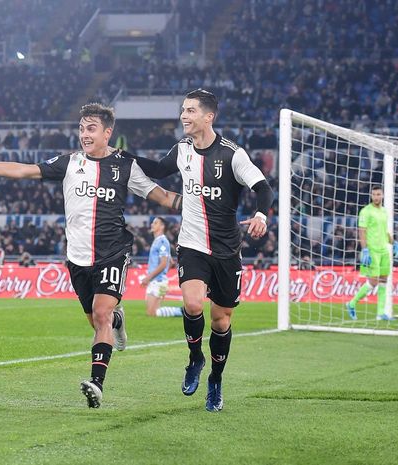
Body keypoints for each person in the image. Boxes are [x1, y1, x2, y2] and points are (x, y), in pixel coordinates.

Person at [0, 103, 182, 408]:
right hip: (78, 258)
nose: (84, 134)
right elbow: (24, 170)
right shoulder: (70, 163)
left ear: (108, 132)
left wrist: (204, 204)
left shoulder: (125, 166)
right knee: (96, 320)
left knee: (100, 315)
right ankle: (117, 323)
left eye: (91, 128)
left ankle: (96, 384)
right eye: (82, 128)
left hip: (112, 253)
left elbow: (162, 196)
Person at [123, 89, 274, 412]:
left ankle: (216, 381)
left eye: (190, 110)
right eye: (183, 110)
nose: (184, 116)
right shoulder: (182, 149)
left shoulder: (233, 155)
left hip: (226, 250)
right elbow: (159, 170)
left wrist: (261, 214)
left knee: (220, 321)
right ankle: (195, 358)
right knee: (192, 304)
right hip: (192, 245)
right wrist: (123, 155)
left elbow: (263, 188)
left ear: (209, 117)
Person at [346, 185, 398, 321]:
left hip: (384, 250)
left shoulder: (384, 211)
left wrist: (393, 243)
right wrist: (365, 249)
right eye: (374, 194)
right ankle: (351, 303)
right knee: (373, 281)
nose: (376, 197)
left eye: (378, 194)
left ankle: (381, 313)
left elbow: (385, 230)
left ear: (382, 196)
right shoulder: (366, 211)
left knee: (384, 280)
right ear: (371, 196)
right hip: (372, 251)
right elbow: (362, 231)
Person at [140, 217, 182, 317]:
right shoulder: (159, 241)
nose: (152, 224)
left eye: (155, 223)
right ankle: (182, 311)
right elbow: (171, 262)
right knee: (152, 312)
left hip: (157, 282)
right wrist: (163, 276)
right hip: (158, 281)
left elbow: (163, 264)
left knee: (152, 313)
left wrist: (149, 278)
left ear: (162, 226)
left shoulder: (162, 241)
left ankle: (182, 311)